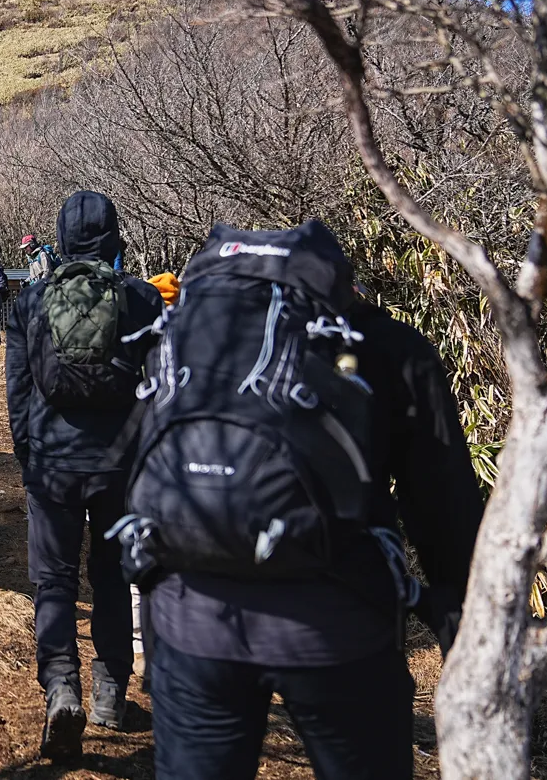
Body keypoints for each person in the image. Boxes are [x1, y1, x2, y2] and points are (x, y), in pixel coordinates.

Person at [118, 222, 483, 780]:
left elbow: (137, 456)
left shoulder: (178, 336)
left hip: (191, 619)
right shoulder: (381, 344)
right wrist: (460, 618)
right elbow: (444, 507)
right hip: (336, 626)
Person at [4, 191, 166, 761]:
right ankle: (110, 694)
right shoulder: (143, 300)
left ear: (62, 238)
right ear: (115, 238)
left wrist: (29, 455)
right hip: (121, 465)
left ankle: (60, 689)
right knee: (112, 576)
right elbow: (160, 387)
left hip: (52, 463)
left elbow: (19, 392)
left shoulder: (28, 303)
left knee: (54, 580)